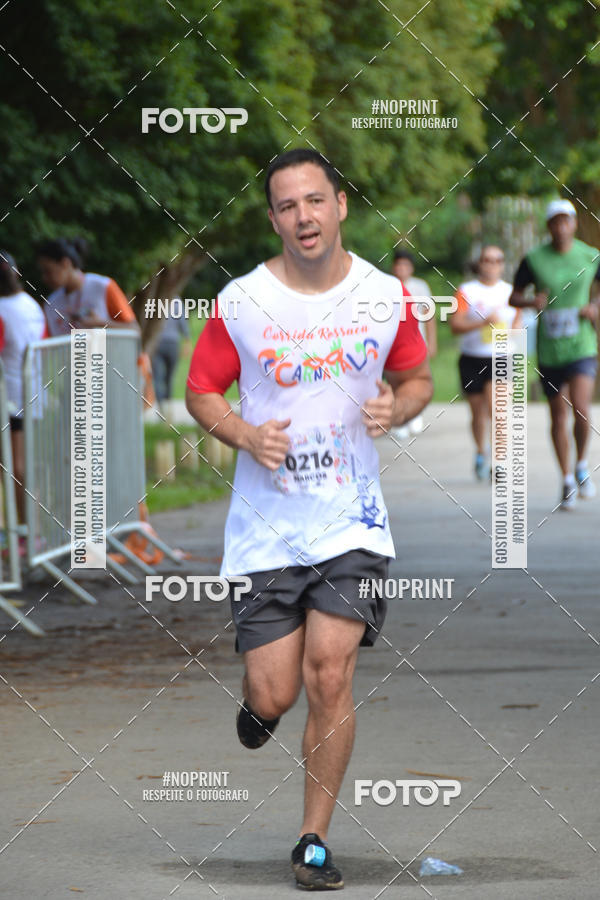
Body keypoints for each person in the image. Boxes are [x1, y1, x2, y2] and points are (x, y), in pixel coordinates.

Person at [185, 149, 433, 891]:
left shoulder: (384, 295)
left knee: (330, 676)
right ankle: (260, 708)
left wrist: (400, 405)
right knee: (277, 692)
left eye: (315, 200)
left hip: (352, 523)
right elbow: (201, 391)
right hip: (266, 530)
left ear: (340, 205)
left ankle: (312, 840)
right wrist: (243, 434)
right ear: (274, 218)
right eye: (288, 205)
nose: (304, 216)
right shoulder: (242, 301)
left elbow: (417, 377)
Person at [510, 199, 600, 510]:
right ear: (548, 226)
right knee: (557, 415)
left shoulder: (591, 255)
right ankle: (565, 479)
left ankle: (582, 465)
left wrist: (594, 307)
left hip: (582, 346)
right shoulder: (534, 259)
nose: (561, 227)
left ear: (574, 224)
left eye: (566, 221)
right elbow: (514, 296)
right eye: (555, 222)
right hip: (550, 350)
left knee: (581, 407)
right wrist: (530, 302)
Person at [450, 245, 522, 480]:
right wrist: (482, 324)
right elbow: (455, 325)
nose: (492, 265)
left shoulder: (511, 292)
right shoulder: (466, 291)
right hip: (472, 357)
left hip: (501, 357)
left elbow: (517, 324)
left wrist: (510, 332)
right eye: (487, 260)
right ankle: (481, 451)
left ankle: (499, 462)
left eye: (497, 260)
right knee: (477, 413)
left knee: (498, 411)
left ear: (503, 264)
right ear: (479, 263)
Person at [0, 251, 47, 524]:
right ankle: (29, 532)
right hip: (33, 392)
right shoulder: (31, 304)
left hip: (10, 396)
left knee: (17, 467)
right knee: (24, 465)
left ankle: (24, 532)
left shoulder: (2, 309)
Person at [36, 237, 139, 335]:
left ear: (65, 263)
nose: (44, 278)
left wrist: (99, 323)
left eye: (48, 271)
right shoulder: (51, 303)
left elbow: (134, 330)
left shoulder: (102, 286)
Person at [391, 250, 437, 437]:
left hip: (416, 341)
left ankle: (414, 413)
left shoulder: (420, 286)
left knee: (417, 378)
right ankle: (400, 417)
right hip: (394, 343)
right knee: (395, 379)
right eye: (399, 265)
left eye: (406, 265)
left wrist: (432, 342)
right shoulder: (388, 285)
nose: (402, 269)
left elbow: (429, 316)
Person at [151, 298, 191, 406]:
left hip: (157, 343)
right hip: (173, 344)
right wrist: (187, 342)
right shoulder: (178, 303)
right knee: (169, 377)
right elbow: (183, 324)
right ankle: (167, 407)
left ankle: (161, 407)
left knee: (158, 377)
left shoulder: (156, 299)